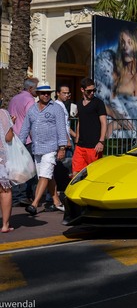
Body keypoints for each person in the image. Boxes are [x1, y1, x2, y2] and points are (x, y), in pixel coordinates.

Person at [19, 81, 67, 215]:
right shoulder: (32, 109)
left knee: (44, 175)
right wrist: (19, 145)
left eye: (48, 93)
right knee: (46, 175)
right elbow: (24, 129)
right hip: (37, 148)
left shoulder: (56, 108)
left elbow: (61, 129)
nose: (46, 95)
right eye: (43, 93)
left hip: (51, 147)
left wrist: (62, 148)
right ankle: (57, 202)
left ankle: (34, 204)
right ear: (38, 94)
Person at [94, 26, 137, 138]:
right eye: (123, 42)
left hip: (124, 137)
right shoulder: (111, 68)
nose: (125, 47)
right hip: (104, 130)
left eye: (130, 42)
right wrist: (113, 114)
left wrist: (113, 125)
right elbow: (100, 103)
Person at [7, 77, 38, 207]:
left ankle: (16, 196)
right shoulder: (30, 100)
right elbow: (31, 121)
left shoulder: (14, 98)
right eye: (37, 88)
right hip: (26, 139)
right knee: (27, 169)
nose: (39, 91)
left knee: (15, 168)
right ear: (30, 89)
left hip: (13, 136)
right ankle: (22, 196)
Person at [72, 78, 107, 177]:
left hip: (94, 146)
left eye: (94, 90)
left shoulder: (98, 103)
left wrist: (101, 141)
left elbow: (104, 123)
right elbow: (80, 122)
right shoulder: (79, 103)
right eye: (89, 91)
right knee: (76, 174)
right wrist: (77, 140)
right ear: (82, 90)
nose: (92, 93)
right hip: (80, 145)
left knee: (94, 173)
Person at [53, 84, 76, 197]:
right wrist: (67, 140)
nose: (67, 95)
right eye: (64, 93)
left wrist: (74, 135)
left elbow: (66, 125)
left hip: (67, 138)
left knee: (67, 167)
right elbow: (61, 126)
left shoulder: (63, 105)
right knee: (63, 167)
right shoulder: (57, 106)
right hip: (63, 141)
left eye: (68, 93)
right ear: (58, 93)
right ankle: (58, 193)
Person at [0, 106, 15, 232]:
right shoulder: (3, 113)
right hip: (1, 158)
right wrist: (12, 125)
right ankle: (5, 225)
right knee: (5, 191)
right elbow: (8, 137)